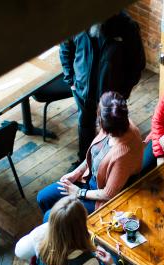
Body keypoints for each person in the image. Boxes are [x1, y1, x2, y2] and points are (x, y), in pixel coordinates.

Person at [36, 91, 143, 219]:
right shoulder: (113, 121)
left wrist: (79, 192)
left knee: (50, 217)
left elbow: (109, 194)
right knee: (43, 197)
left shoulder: (124, 152)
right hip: (87, 180)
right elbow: (94, 155)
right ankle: (62, 231)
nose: (102, 130)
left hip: (98, 196)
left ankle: (63, 233)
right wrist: (76, 173)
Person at [60, 11, 145, 165]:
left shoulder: (127, 27)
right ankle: (83, 161)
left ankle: (108, 162)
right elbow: (65, 48)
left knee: (112, 129)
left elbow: (137, 64)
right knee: (84, 125)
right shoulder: (75, 19)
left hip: (111, 97)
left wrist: (123, 93)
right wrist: (70, 79)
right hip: (82, 90)